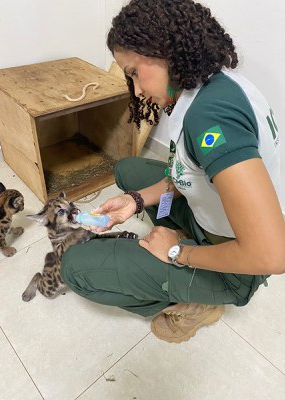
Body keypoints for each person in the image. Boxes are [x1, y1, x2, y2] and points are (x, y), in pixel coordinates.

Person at [61, 0, 285, 343]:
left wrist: (178, 253)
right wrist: (135, 202)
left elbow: (271, 254)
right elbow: (188, 171)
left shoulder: (210, 119)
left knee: (75, 269)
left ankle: (197, 299)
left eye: (135, 72)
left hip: (238, 266)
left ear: (163, 49)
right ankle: (178, 240)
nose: (136, 90)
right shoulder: (214, 84)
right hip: (213, 219)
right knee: (128, 171)